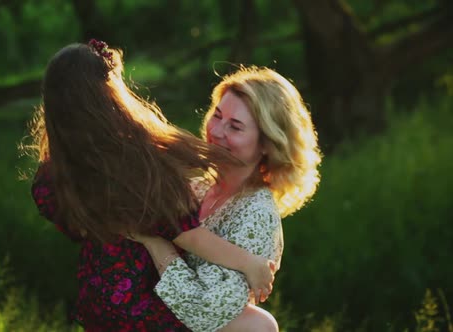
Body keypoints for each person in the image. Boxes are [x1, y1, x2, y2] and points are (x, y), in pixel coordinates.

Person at [28, 40, 276, 331]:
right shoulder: (136, 163)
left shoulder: (52, 175)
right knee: (259, 324)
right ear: (112, 97)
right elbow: (189, 237)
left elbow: (76, 228)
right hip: (142, 301)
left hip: (97, 299)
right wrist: (250, 263)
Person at [133, 66, 322, 331]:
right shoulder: (197, 188)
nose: (217, 131)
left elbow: (204, 311)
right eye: (217, 115)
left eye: (235, 126)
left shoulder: (256, 214)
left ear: (267, 145)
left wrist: (154, 241)